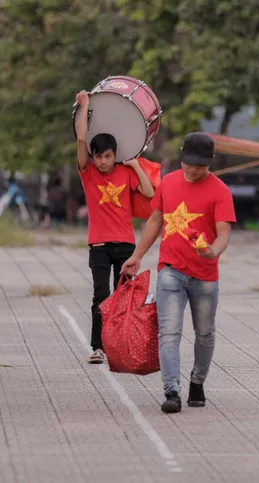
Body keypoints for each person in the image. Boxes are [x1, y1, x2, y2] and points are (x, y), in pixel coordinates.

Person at [121, 132, 236, 414]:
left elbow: (223, 233)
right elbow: (155, 220)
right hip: (170, 272)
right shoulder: (169, 182)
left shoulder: (220, 191)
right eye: (188, 163)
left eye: (199, 165)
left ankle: (197, 382)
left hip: (205, 275)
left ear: (209, 163)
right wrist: (137, 255)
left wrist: (214, 251)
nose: (192, 169)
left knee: (205, 333)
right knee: (169, 333)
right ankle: (171, 391)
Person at [74, 90, 155, 364]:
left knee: (125, 297)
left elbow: (148, 193)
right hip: (98, 245)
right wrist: (85, 106)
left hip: (126, 245)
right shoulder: (89, 174)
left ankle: (124, 343)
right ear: (93, 157)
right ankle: (98, 347)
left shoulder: (125, 171)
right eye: (99, 157)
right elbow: (82, 138)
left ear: (114, 155)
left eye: (108, 156)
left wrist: (135, 165)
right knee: (101, 295)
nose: (104, 162)